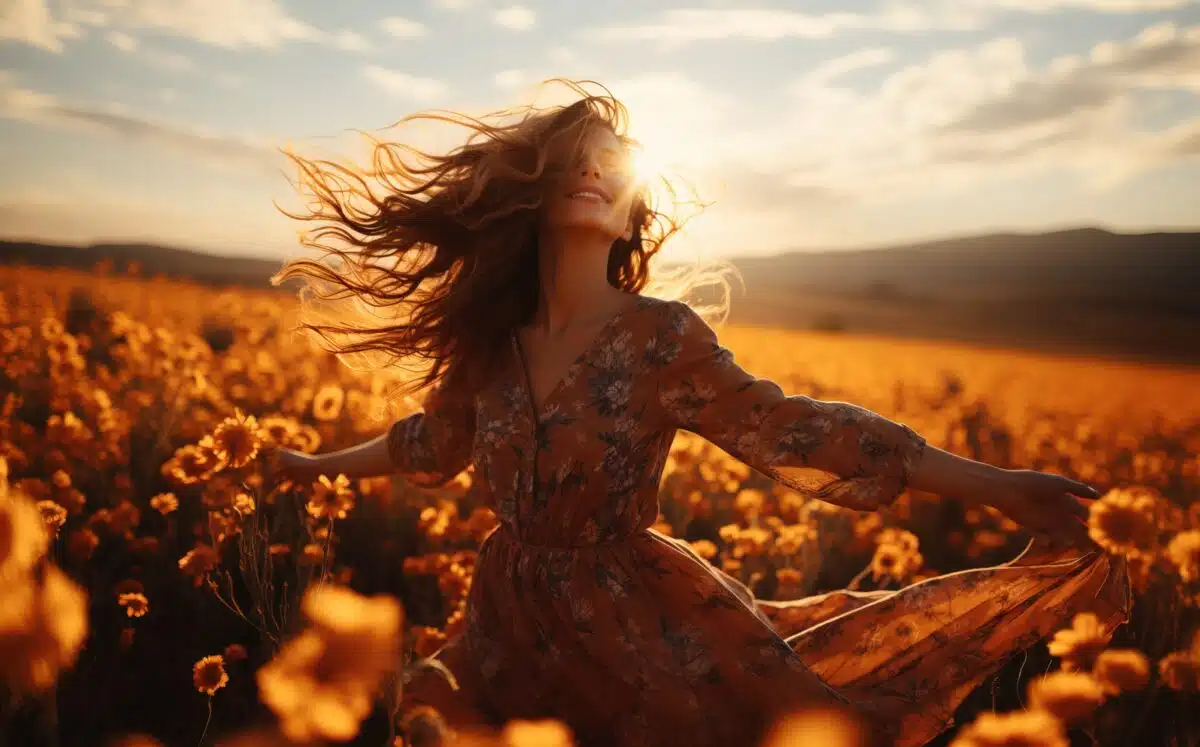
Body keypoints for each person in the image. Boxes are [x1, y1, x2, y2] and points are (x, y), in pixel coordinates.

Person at [267, 80, 1130, 747]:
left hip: (633, 622)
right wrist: (306, 469)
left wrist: (1000, 486)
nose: (598, 173)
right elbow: (430, 441)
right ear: (531, 191)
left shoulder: (658, 336)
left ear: (633, 211)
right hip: (507, 622)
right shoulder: (495, 341)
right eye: (578, 158)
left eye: (616, 164)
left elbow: (801, 429)